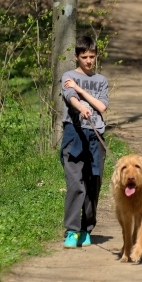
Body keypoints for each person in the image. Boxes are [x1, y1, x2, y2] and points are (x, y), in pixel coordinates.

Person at [59, 35, 109, 248]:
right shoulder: (68, 76)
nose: (89, 60)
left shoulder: (101, 80)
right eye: (84, 57)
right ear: (76, 56)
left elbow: (102, 106)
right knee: (75, 184)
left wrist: (81, 91)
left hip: (95, 136)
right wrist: (80, 107)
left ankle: (86, 229)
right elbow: (70, 97)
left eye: (92, 56)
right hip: (75, 134)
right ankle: (72, 230)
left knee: (93, 184)